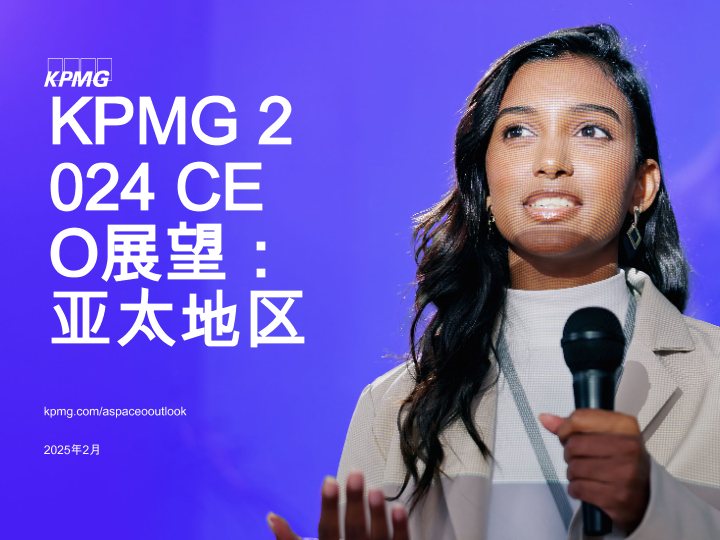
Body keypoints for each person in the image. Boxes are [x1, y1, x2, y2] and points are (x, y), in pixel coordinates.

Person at [267, 24, 720, 540]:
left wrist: (654, 504)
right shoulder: (395, 408)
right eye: (518, 132)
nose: (551, 163)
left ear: (642, 186)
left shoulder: (714, 377)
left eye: (591, 131)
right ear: (484, 187)